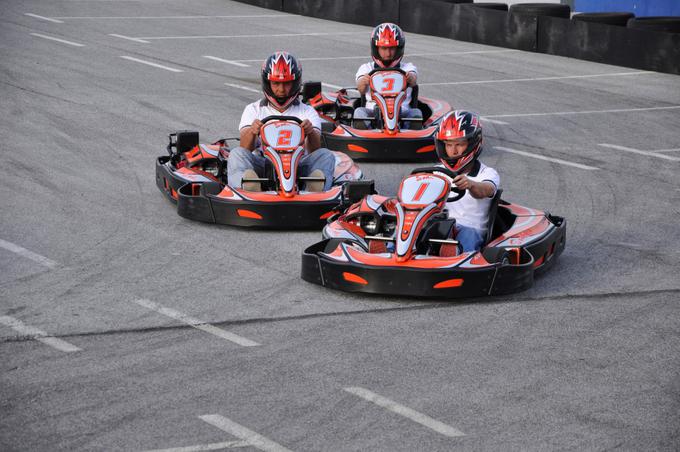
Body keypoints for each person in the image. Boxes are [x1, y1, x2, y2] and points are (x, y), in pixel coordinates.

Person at [228, 51, 335, 192]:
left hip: (298, 166)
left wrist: (310, 132)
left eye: (287, 84)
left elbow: (314, 150)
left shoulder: (307, 112)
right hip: (264, 165)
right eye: (276, 83)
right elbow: (245, 148)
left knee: (326, 155)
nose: (281, 89)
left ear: (295, 83)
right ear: (267, 83)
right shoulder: (254, 110)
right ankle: (249, 187)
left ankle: (314, 188)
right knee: (236, 154)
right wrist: (253, 131)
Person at [434, 110, 500, 252]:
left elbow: (486, 189)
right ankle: (390, 250)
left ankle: (456, 257)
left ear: (472, 143)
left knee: (467, 236)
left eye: (459, 144)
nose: (453, 151)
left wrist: (471, 184)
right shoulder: (435, 172)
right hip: (439, 225)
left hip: (470, 229)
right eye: (449, 144)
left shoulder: (487, 173)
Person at [354, 23, 422, 129]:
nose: (388, 53)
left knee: (416, 113)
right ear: (376, 48)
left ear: (399, 48)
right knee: (359, 113)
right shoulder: (366, 68)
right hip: (373, 111)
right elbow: (361, 89)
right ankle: (366, 135)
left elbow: (413, 79)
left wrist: (410, 78)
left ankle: (410, 135)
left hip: (402, 112)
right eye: (384, 48)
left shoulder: (408, 68)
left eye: (392, 48)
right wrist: (363, 81)